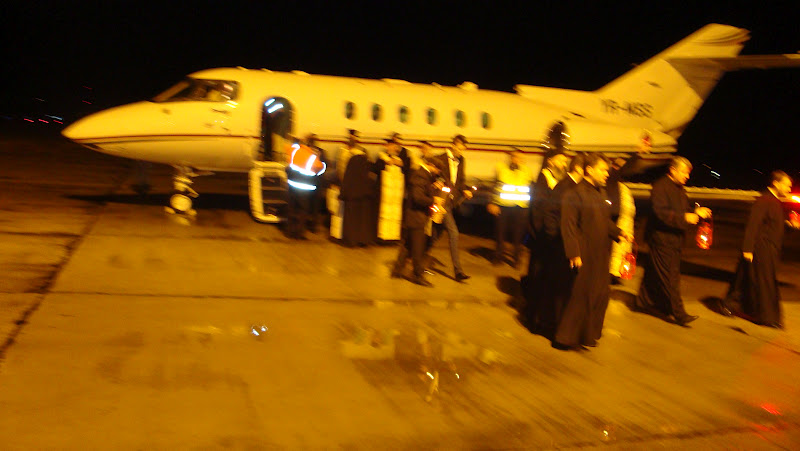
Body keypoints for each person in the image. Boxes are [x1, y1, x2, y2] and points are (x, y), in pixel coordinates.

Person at [553, 154, 631, 350]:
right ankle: (565, 337)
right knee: (580, 296)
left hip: (599, 253)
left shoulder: (600, 193)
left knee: (599, 294)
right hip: (583, 253)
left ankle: (587, 335)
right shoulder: (574, 194)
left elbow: (603, 220)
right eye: (603, 170)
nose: (606, 174)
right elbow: (568, 226)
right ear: (589, 170)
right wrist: (573, 253)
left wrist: (619, 233)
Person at [633, 156, 711, 326]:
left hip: (675, 239)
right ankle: (678, 312)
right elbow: (660, 213)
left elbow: (682, 209)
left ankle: (643, 301)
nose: (687, 176)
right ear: (673, 170)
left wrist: (696, 211)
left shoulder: (679, 189)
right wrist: (684, 217)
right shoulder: (660, 187)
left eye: (688, 173)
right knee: (670, 276)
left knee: (654, 272)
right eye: (684, 172)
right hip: (662, 239)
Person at [722, 171, 798, 328]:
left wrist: (789, 226)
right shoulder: (764, 200)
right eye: (787, 185)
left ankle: (730, 306)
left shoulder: (774, 201)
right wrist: (747, 248)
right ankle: (767, 317)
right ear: (776, 183)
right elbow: (753, 225)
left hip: (769, 249)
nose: (789, 189)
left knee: (746, 278)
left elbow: (772, 226)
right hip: (761, 249)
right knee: (764, 282)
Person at [531, 153, 584, 337]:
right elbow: (547, 212)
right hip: (553, 243)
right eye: (560, 160)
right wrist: (552, 237)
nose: (563, 163)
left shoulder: (568, 185)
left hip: (557, 242)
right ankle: (542, 322)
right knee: (550, 285)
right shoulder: (565, 187)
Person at [521, 147, 569, 323]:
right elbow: (538, 209)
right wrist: (544, 233)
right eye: (561, 160)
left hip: (548, 234)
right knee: (536, 270)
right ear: (550, 161)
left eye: (565, 160)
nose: (564, 163)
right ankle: (531, 307)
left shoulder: (558, 178)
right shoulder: (544, 178)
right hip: (541, 235)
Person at [391, 157, 443, 287]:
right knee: (418, 248)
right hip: (416, 217)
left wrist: (433, 187)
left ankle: (397, 270)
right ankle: (417, 275)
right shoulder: (421, 175)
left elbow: (422, 191)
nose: (437, 173)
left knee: (407, 245)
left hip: (414, 217)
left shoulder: (424, 175)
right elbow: (418, 197)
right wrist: (434, 200)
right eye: (437, 170)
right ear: (431, 166)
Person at [432, 135, 473, 281]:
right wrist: (438, 185)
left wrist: (465, 190)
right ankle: (458, 271)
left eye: (463, 150)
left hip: (451, 202)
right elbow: (434, 177)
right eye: (460, 149)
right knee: (453, 232)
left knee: (435, 233)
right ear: (453, 145)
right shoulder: (440, 158)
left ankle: (415, 255)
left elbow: (460, 181)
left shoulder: (461, 161)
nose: (461, 152)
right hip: (441, 201)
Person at [488, 150, 535, 268]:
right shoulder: (501, 168)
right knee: (500, 233)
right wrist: (492, 203)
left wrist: (531, 206)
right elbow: (495, 187)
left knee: (518, 235)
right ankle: (498, 256)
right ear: (510, 158)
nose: (517, 159)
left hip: (521, 207)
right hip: (503, 205)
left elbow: (531, 188)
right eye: (514, 157)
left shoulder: (527, 171)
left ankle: (516, 259)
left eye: (520, 158)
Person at [285, 137, 327, 239]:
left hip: (292, 185)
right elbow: (320, 170)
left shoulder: (295, 151)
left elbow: (288, 150)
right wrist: (323, 163)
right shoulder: (312, 157)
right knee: (302, 210)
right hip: (304, 188)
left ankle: (290, 232)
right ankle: (299, 233)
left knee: (292, 209)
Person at [338, 141, 375, 247]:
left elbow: (348, 178)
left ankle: (351, 240)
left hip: (352, 195)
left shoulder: (352, 160)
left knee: (351, 219)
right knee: (363, 219)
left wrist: (342, 194)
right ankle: (362, 240)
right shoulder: (367, 160)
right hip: (365, 196)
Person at [374, 134, 409, 242]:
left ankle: (393, 237)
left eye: (394, 146)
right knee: (383, 214)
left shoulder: (401, 159)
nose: (392, 148)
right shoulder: (381, 157)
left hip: (395, 195)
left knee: (395, 215)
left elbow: (406, 171)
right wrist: (386, 162)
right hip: (384, 193)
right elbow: (376, 169)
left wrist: (398, 163)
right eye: (390, 146)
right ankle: (382, 237)